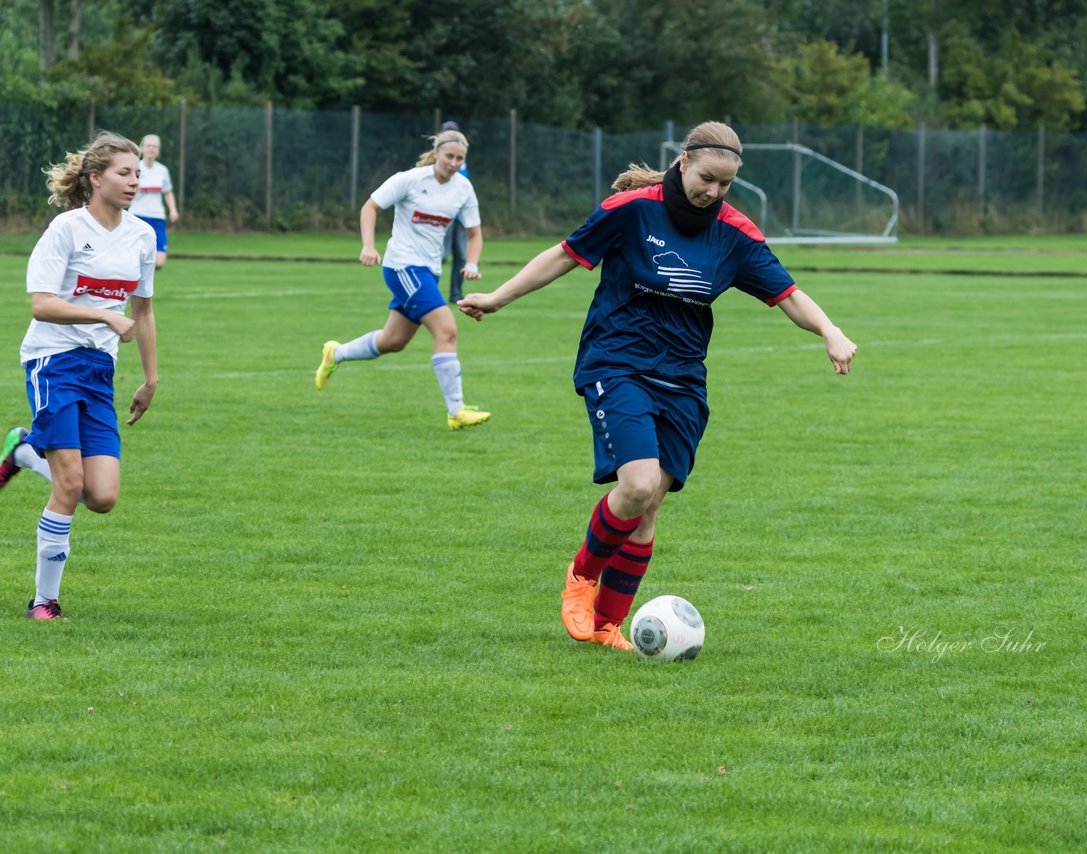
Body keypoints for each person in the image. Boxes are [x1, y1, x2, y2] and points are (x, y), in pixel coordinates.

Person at [459, 122, 857, 651]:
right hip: (617, 363)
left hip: (684, 381)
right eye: (707, 178)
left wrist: (830, 330)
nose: (713, 192)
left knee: (649, 508)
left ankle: (605, 627)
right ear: (684, 161)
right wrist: (498, 298)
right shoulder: (632, 210)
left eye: (725, 185)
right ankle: (581, 579)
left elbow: (788, 295)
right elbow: (563, 255)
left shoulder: (735, 233)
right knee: (639, 484)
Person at [0, 131, 159, 620]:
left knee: (102, 497)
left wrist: (151, 378)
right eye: (124, 173)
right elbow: (43, 305)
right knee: (69, 485)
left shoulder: (142, 235)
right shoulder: (66, 229)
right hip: (53, 361)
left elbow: (145, 311)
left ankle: (24, 450)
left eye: (138, 173)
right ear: (95, 178)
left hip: (99, 369)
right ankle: (44, 602)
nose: (134, 181)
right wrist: (104, 317)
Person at [314, 127, 490, 430]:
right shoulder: (409, 179)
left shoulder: (463, 188)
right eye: (449, 156)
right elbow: (370, 207)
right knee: (446, 330)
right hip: (402, 267)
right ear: (436, 153)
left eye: (460, 158)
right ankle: (456, 411)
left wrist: (472, 262)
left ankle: (336, 353)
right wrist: (369, 246)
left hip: (428, 272)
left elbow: (474, 234)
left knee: (392, 341)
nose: (454, 163)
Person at [128, 134, 179, 270]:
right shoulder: (134, 167)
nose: (151, 149)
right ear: (142, 149)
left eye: (155, 146)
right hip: (137, 216)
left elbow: (168, 192)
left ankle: (140, 273)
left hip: (157, 217)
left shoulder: (162, 170)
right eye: (149, 146)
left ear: (158, 150)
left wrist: (173, 210)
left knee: (159, 262)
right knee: (134, 257)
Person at [438, 120, 471, 304]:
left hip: (461, 215)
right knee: (441, 255)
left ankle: (456, 294)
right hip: (443, 214)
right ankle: (430, 290)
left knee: (461, 256)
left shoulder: (460, 159)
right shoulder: (441, 159)